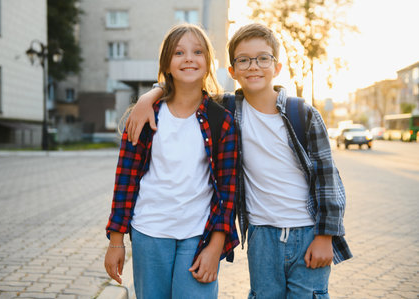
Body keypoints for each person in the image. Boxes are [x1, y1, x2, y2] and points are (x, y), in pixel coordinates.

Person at [125, 23, 352, 298]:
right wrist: (147, 98)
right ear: (232, 71)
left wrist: (326, 236)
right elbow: (184, 86)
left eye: (263, 58)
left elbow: (328, 179)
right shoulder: (229, 109)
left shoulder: (302, 113)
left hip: (307, 231)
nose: (253, 66)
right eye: (243, 60)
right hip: (261, 233)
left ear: (277, 67)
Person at [104, 23, 239, 299]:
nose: (189, 58)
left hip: (198, 235)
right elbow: (126, 179)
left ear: (208, 62)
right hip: (149, 232)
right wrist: (116, 239)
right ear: (167, 63)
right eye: (179, 52)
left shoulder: (221, 119)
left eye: (197, 51)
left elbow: (228, 190)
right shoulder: (145, 115)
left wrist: (216, 247)